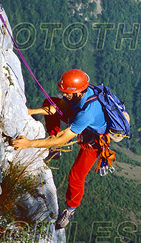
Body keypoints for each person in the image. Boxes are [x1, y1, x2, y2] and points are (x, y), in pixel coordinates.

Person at [11, 69, 107, 229]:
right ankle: (55, 149)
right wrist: (31, 112)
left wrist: (29, 144)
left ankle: (70, 210)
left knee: (76, 176)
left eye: (66, 93)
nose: (63, 95)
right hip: (79, 120)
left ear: (77, 92)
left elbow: (63, 138)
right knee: (49, 102)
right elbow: (57, 108)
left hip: (94, 141)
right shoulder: (76, 94)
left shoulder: (87, 113)